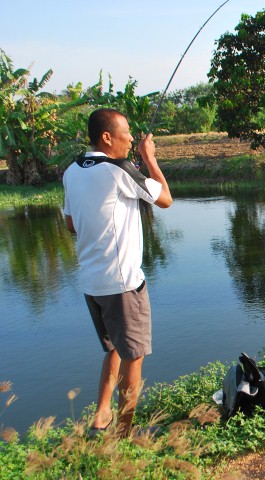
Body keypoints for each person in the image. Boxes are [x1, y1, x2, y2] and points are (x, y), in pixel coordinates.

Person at [63, 108, 172, 437]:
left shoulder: (71, 171)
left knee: (113, 350)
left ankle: (102, 415)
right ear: (106, 137)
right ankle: (125, 433)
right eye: (125, 133)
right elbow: (165, 199)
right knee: (134, 357)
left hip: (91, 283)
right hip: (124, 284)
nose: (129, 139)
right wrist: (149, 157)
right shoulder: (119, 169)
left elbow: (70, 224)